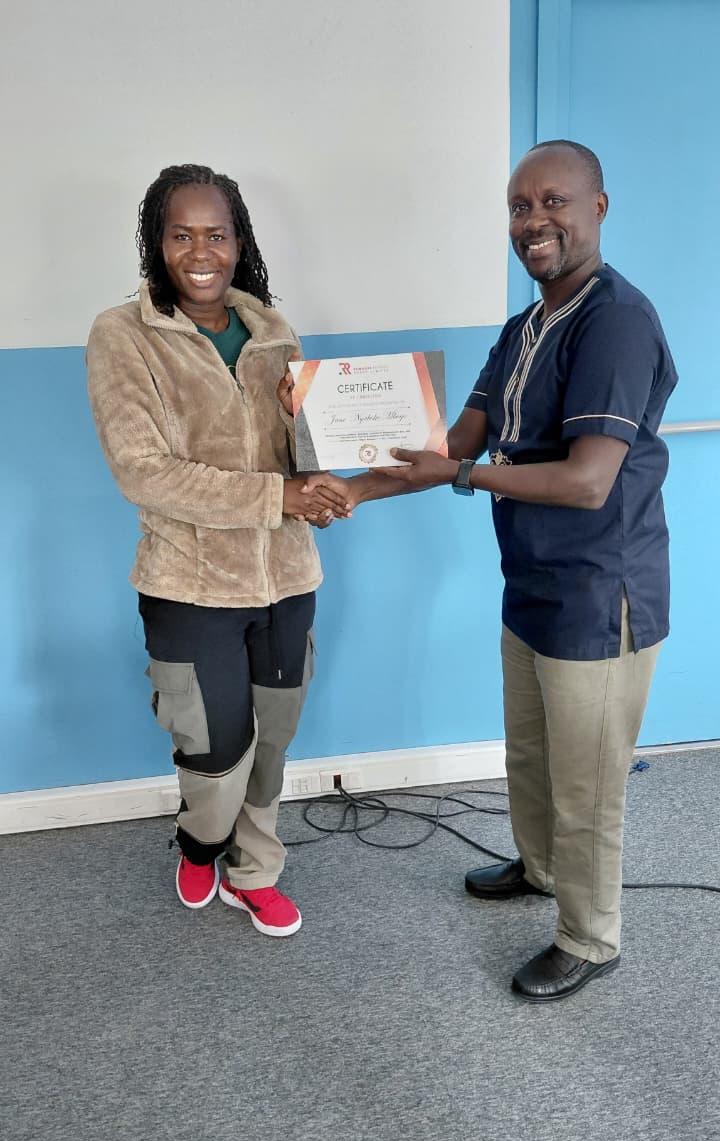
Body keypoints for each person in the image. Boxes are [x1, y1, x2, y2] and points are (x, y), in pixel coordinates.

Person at [304, 140, 676, 999]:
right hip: (533, 583)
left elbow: (586, 481)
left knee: (586, 781)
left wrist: (463, 476)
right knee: (533, 756)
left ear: (598, 208)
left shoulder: (617, 321)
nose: (534, 221)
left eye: (554, 202)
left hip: (598, 591)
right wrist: (352, 491)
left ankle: (590, 938)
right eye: (519, 207)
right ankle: (540, 870)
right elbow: (448, 445)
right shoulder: (523, 330)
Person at [87, 163, 349, 938]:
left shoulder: (273, 331)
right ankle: (200, 843)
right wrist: (280, 497)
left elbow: (298, 457)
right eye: (182, 235)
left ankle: (254, 870)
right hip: (189, 585)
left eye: (217, 234)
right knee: (213, 751)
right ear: (157, 241)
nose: (201, 252)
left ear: (239, 243)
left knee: (273, 740)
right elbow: (144, 472)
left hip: (288, 577)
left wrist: (318, 466)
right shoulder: (123, 335)